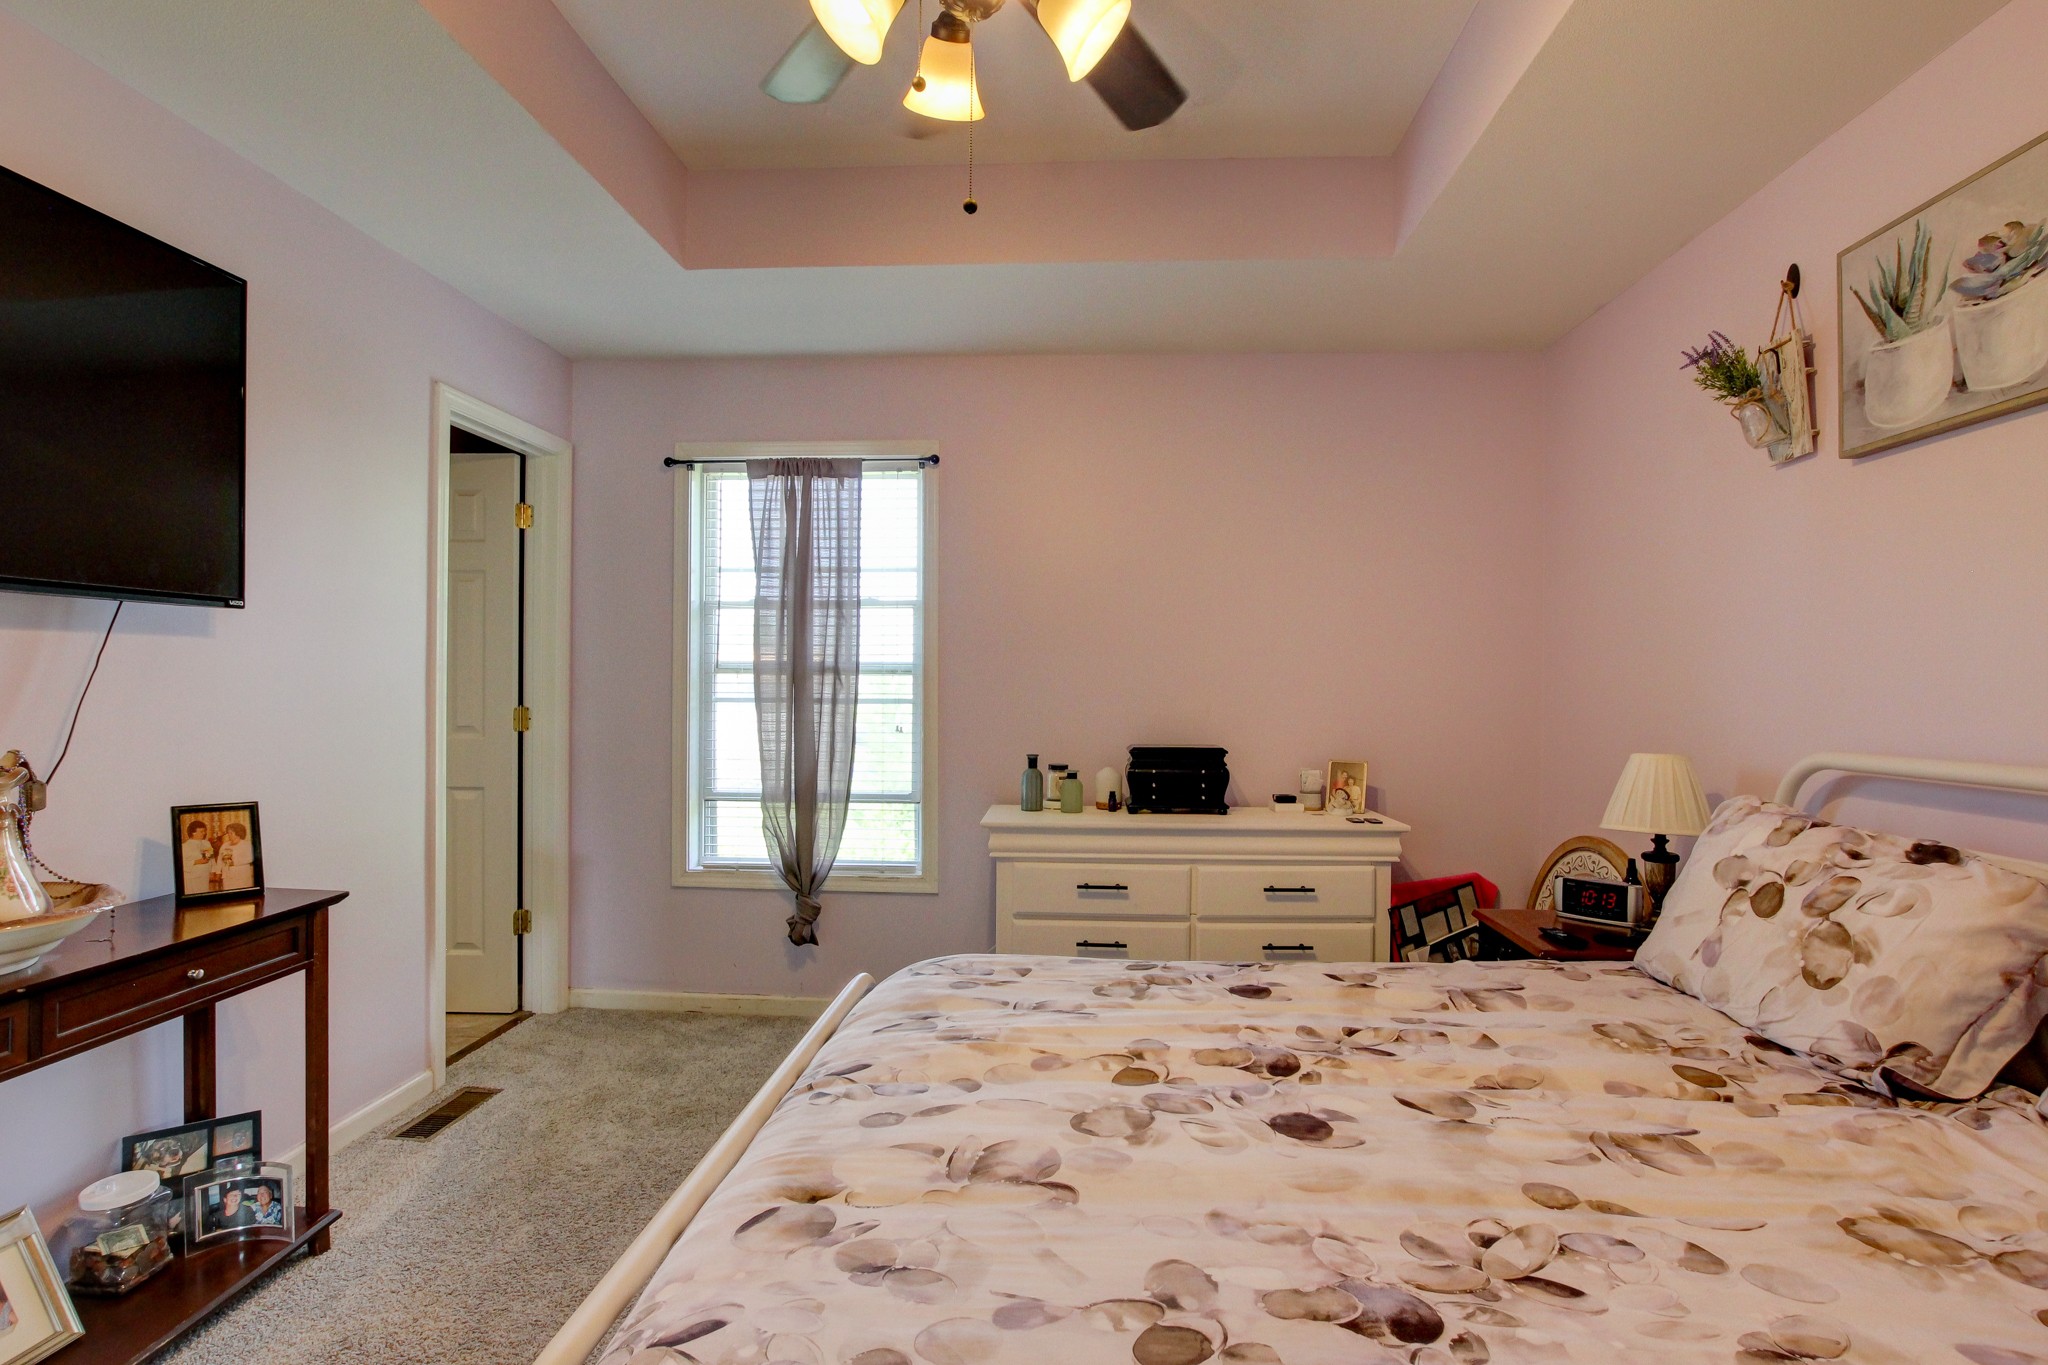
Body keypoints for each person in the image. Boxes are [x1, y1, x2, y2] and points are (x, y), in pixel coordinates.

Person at [180, 820, 217, 896]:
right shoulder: (184, 846)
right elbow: (180, 864)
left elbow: (212, 858)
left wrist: (213, 871)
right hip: (192, 878)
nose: (204, 833)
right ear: (193, 833)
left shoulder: (206, 843)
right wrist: (197, 861)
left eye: (204, 831)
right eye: (201, 831)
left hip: (205, 876)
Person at [216, 822, 256, 891]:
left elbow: (251, 858)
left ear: (238, 833)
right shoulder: (224, 845)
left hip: (242, 876)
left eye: (231, 833)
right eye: (228, 833)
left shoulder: (246, 844)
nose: (228, 835)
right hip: (227, 877)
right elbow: (220, 860)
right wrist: (218, 872)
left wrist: (235, 862)